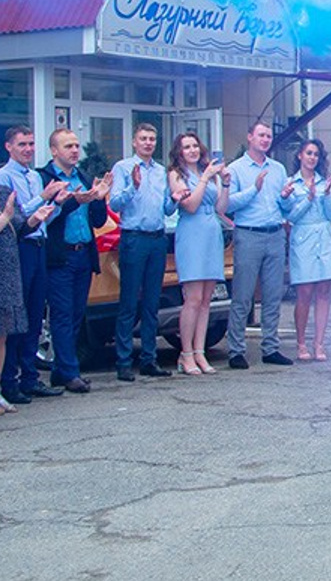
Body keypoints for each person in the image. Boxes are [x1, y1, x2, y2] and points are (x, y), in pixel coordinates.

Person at [0, 126, 68, 405]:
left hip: (40, 246)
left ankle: (30, 377)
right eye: (22, 144)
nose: (28, 149)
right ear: (9, 147)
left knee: (36, 316)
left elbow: (41, 217)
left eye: (31, 144)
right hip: (18, 248)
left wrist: (56, 204)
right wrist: (45, 197)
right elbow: (14, 217)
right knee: (16, 316)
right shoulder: (2, 177)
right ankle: (7, 380)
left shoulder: (35, 176)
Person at [40, 129, 111, 393]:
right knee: (61, 314)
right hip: (61, 256)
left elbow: (98, 221)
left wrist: (98, 197)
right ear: (54, 151)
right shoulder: (45, 178)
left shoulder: (81, 176)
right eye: (68, 146)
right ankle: (69, 372)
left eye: (76, 145)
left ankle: (61, 370)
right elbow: (47, 217)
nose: (74, 150)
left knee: (76, 315)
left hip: (83, 254)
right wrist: (71, 202)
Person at [225, 120, 293, 369]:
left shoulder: (278, 169)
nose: (265, 139)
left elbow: (286, 207)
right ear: (250, 137)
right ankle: (235, 350)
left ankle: (271, 347)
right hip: (248, 234)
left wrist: (286, 198)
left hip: (275, 233)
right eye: (261, 135)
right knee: (243, 295)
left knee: (273, 295)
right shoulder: (236, 169)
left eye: (269, 136)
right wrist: (254, 189)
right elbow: (228, 205)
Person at [109, 123, 173, 382]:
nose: (148, 143)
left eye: (152, 139)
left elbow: (167, 209)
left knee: (152, 302)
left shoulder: (160, 171)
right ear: (134, 142)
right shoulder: (124, 168)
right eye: (143, 139)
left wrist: (177, 197)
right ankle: (123, 361)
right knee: (128, 302)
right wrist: (133, 187)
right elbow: (114, 203)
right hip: (134, 238)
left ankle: (149, 358)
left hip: (157, 239)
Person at [0, 156, 56, 414]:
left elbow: (18, 227)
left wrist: (35, 219)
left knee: (0, 335)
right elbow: (3, 222)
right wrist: (5, 216)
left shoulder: (4, 193)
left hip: (7, 271)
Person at [166, 132, 230, 375]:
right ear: (179, 151)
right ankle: (186, 353)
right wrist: (205, 178)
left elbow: (221, 208)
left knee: (205, 300)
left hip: (211, 232)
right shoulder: (176, 174)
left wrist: (224, 183)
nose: (192, 150)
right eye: (186, 147)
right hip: (191, 233)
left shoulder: (206, 172)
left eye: (195, 145)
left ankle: (200, 351)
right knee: (192, 299)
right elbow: (190, 205)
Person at [285, 138, 331, 362]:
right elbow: (290, 215)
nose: (312, 158)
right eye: (308, 153)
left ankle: (319, 342)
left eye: (316, 154)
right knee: (304, 293)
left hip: (324, 238)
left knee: (324, 292)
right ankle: (301, 343)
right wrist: (308, 198)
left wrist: (326, 194)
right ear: (300, 155)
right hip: (303, 238)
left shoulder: (325, 182)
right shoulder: (292, 183)